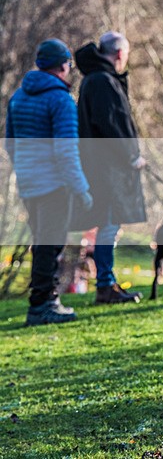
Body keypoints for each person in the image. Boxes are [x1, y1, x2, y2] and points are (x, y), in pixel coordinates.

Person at [5, 39, 93, 325]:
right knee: (50, 244)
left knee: (41, 241)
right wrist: (81, 189)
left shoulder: (18, 96)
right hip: (55, 185)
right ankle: (42, 304)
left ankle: (44, 300)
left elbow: (10, 144)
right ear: (63, 66)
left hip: (29, 183)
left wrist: (25, 171)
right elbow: (66, 151)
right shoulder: (60, 100)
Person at [74, 32, 146, 304]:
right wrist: (131, 156)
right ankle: (105, 285)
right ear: (119, 54)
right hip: (107, 169)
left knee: (109, 225)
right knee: (108, 224)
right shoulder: (103, 81)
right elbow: (111, 125)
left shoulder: (95, 79)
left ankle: (108, 282)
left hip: (102, 166)